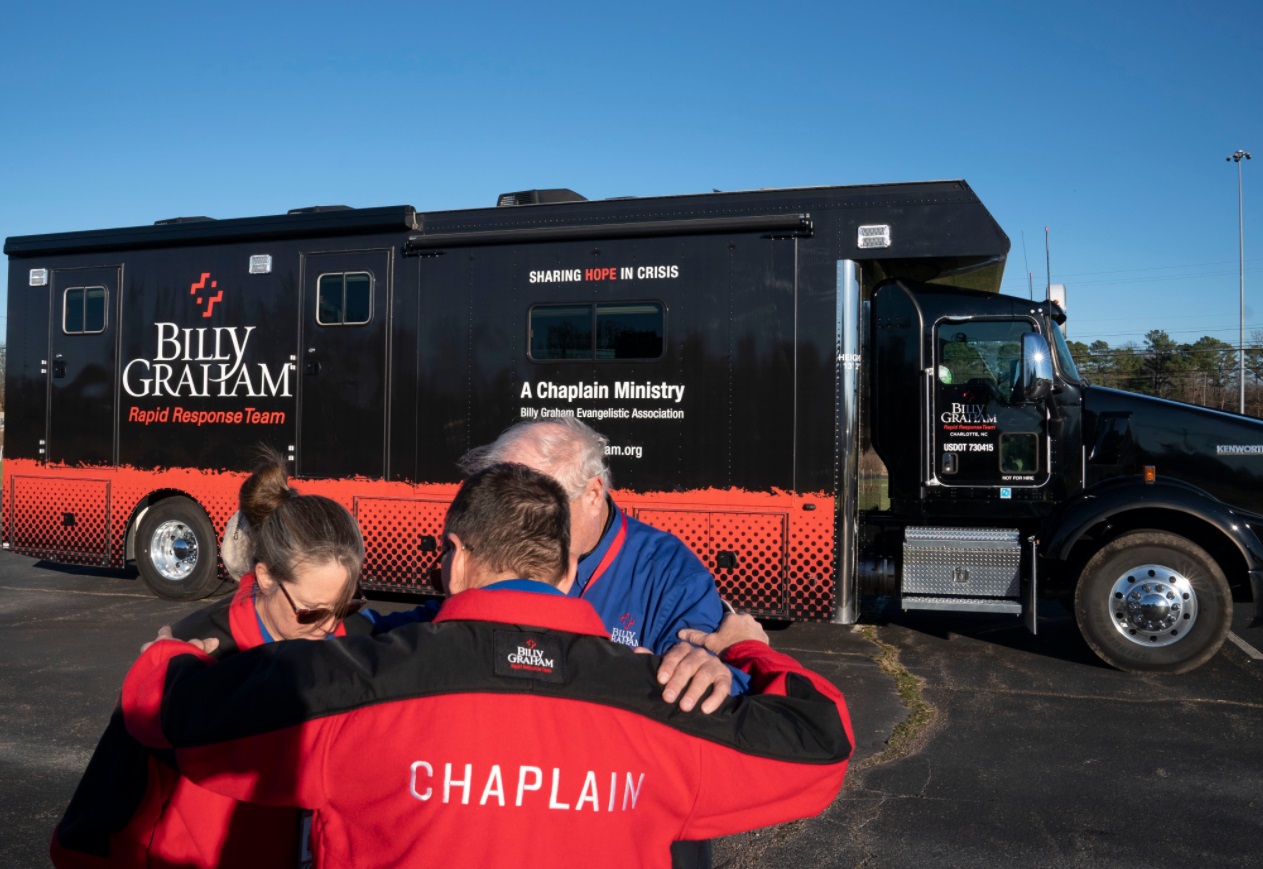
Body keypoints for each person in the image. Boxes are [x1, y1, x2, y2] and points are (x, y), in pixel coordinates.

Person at [121, 463, 854, 869]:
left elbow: (173, 714)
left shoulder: (354, 682)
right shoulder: (656, 698)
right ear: (567, 570)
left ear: (457, 554)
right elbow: (822, 741)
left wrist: (170, 655)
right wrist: (744, 653)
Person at [50, 448, 369, 868]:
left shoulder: (363, 643)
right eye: (311, 610)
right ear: (265, 576)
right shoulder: (189, 656)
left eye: (345, 606)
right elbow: (98, 824)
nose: (330, 626)